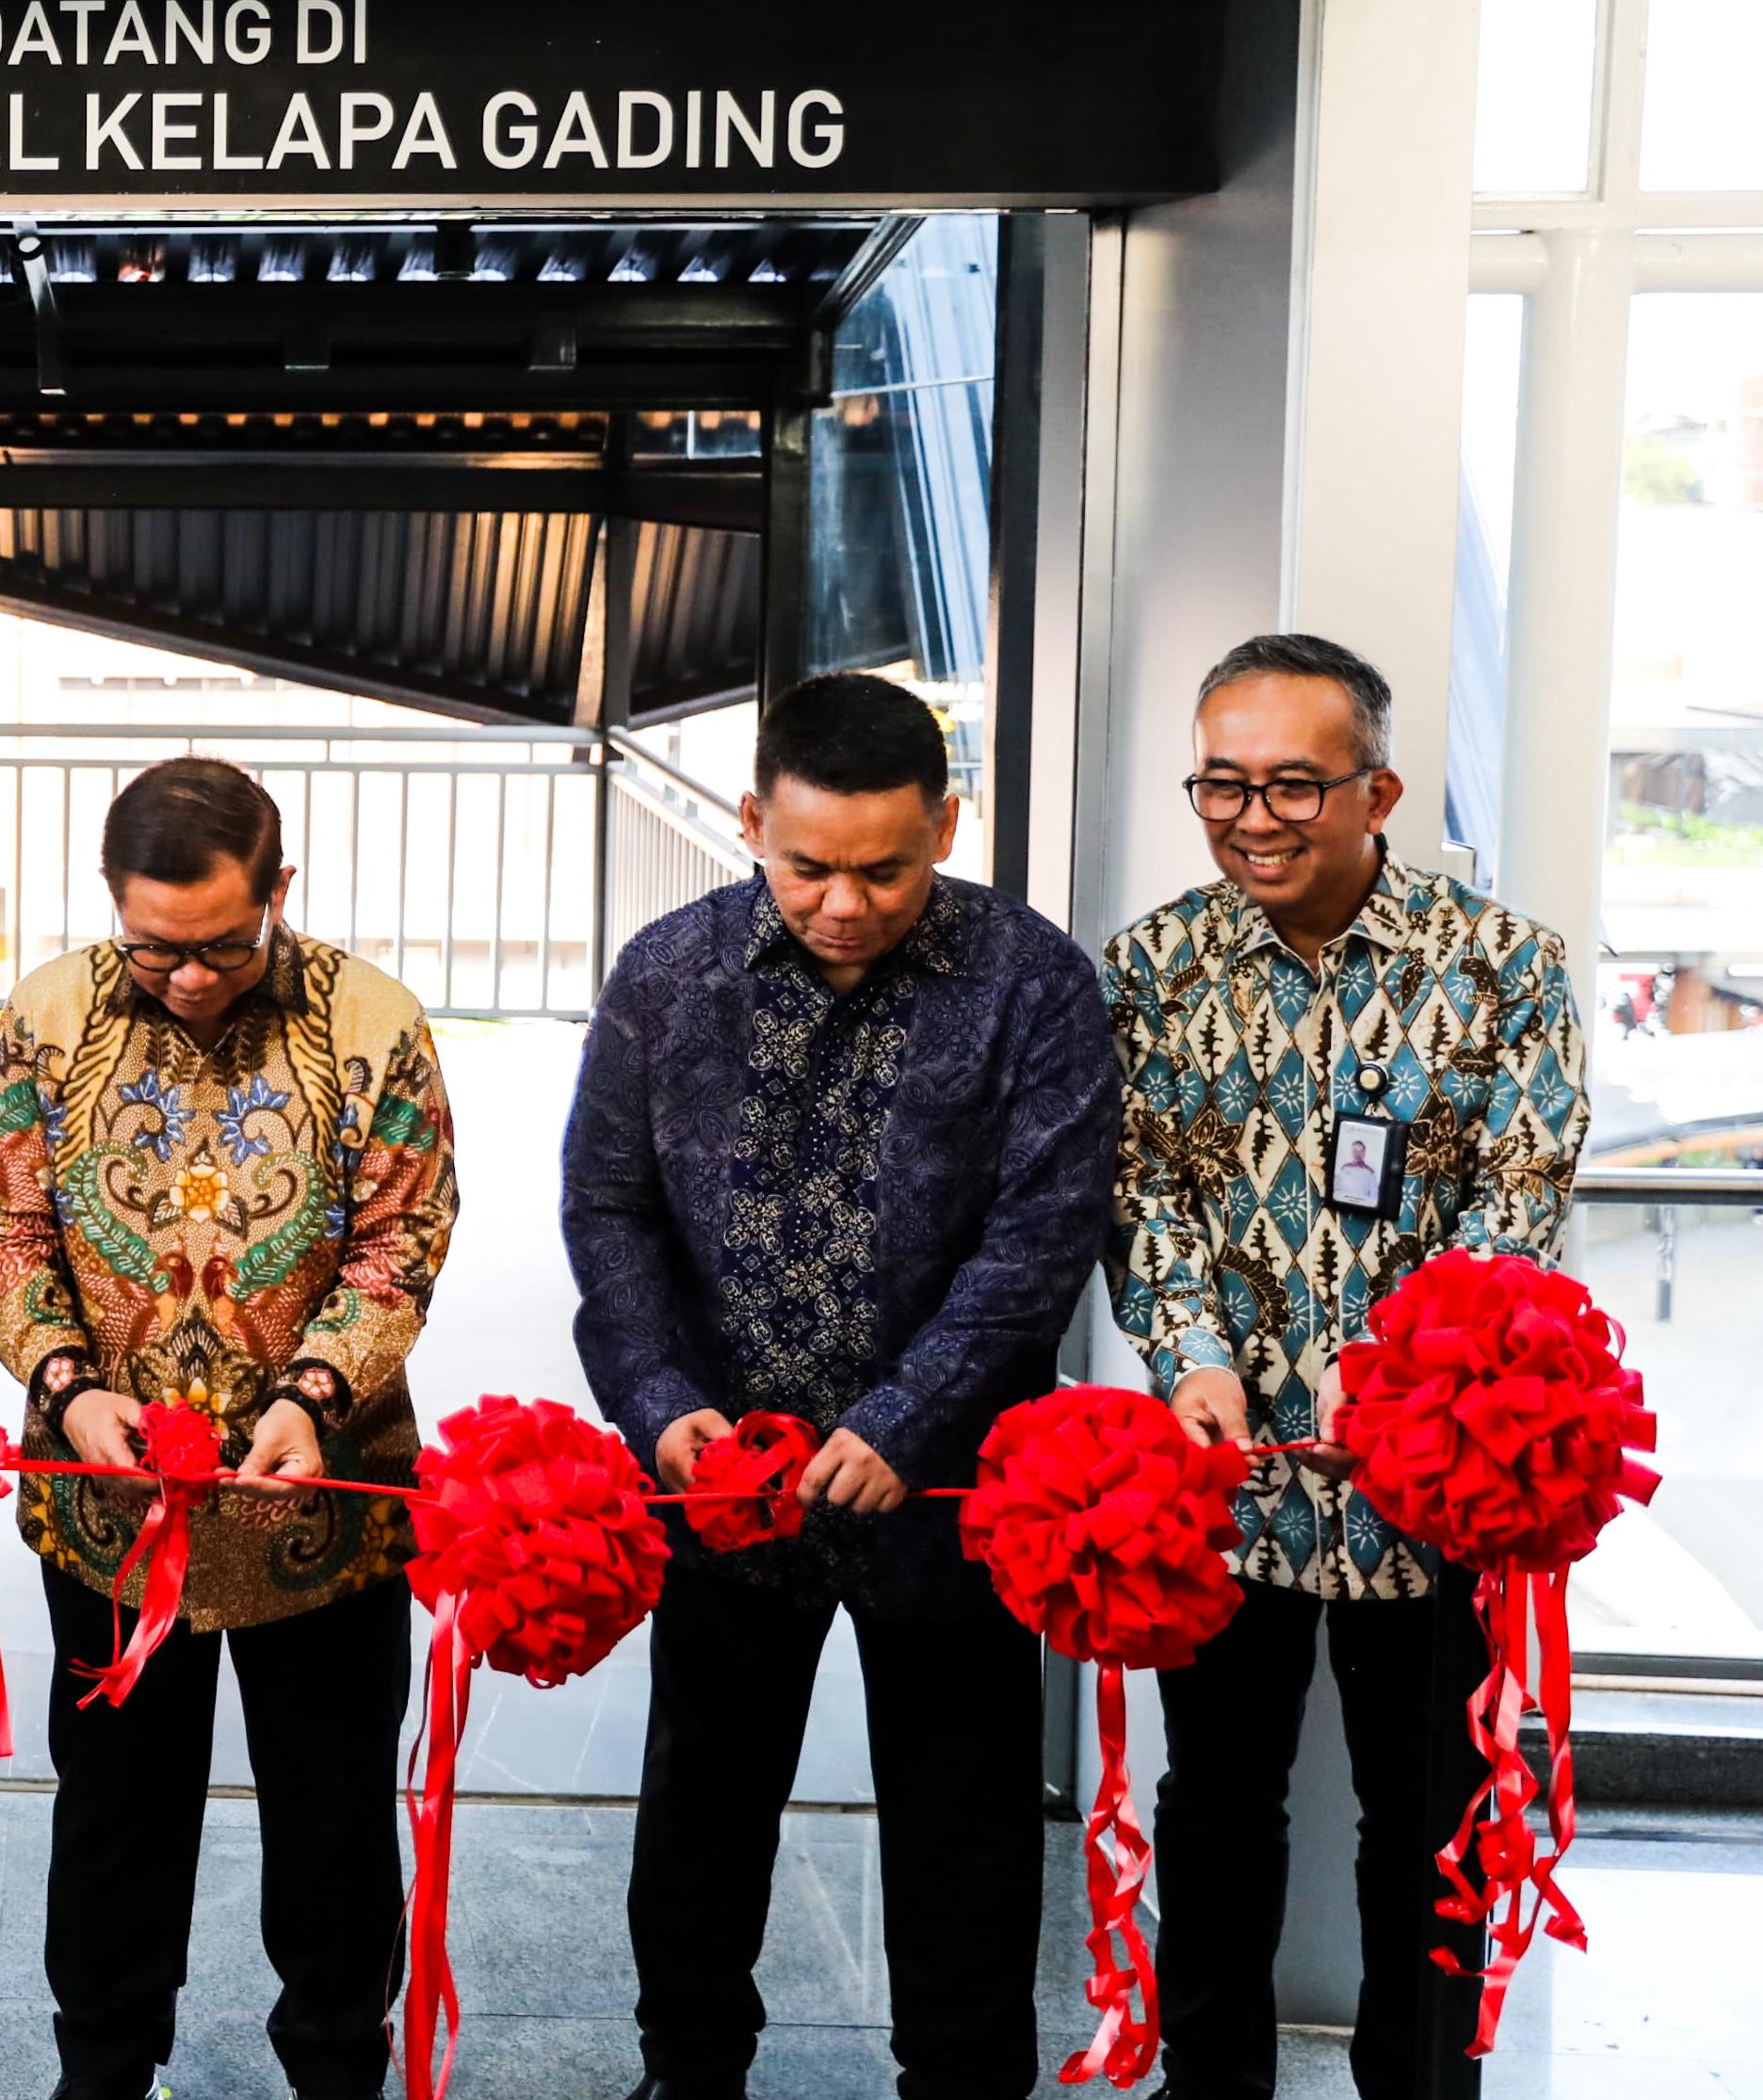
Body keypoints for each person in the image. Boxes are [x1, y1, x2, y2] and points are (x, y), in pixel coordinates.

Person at [561, 671, 1120, 2100]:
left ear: (946, 826)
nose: (846, 903)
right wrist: (659, 1401)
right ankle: (688, 2071)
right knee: (703, 1805)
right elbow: (609, 1209)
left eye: (886, 870)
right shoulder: (667, 974)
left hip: (947, 1490)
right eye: (810, 866)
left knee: (964, 1813)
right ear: (754, 822)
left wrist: (906, 1419)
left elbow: (1042, 1237)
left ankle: (965, 2081)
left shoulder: (1033, 982)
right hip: (722, 1479)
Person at [1108, 635, 1589, 2100]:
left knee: (1429, 1820)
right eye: (1222, 784)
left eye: (1291, 786)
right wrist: (1191, 1356)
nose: (1251, 819)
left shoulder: (1506, 971)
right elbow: (1144, 1197)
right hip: (1230, 1484)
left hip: (1433, 1491)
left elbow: (1518, 1211)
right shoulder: (1153, 969)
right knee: (1215, 1811)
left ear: (1376, 792)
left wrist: (1393, 1383)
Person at [0, 756, 456, 2100]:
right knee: (114, 1809)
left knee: (334, 1814)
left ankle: (337, 2062)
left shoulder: (373, 1022)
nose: (187, 977)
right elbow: (8, 1235)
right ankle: (104, 2062)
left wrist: (313, 1395)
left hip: (323, 1504)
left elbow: (400, 1247)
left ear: (279, 889)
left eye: (224, 946)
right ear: (111, 900)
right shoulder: (49, 1014)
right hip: (110, 1501)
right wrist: (69, 1387)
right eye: (154, 948)